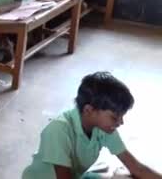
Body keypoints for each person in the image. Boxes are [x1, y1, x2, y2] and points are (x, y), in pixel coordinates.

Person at [23, 72, 162, 179]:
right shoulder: (59, 130)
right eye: (115, 117)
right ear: (89, 110)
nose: (120, 122)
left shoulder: (104, 128)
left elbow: (136, 168)